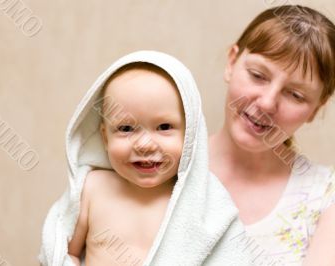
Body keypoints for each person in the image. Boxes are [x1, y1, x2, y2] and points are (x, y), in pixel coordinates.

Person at [39, 51, 252, 266]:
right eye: (126, 128)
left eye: (164, 127)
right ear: (105, 136)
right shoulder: (92, 188)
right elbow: (62, 252)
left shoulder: (201, 200)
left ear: (189, 135)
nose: (145, 145)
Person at [209, 5, 335, 266]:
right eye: (258, 76)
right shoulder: (159, 166)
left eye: (296, 95)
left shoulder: (325, 197)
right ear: (232, 62)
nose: (267, 103)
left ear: (316, 109)